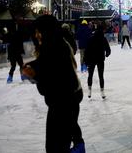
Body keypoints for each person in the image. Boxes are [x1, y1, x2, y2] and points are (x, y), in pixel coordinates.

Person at [22, 15, 85, 153]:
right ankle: (79, 144)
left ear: (47, 31)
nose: (37, 35)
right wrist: (33, 67)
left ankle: (79, 145)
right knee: (58, 143)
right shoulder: (57, 44)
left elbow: (52, 82)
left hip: (63, 103)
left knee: (55, 147)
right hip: (65, 101)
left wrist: (35, 74)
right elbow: (49, 67)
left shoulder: (54, 48)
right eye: (36, 32)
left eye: (40, 31)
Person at [84, 25, 111, 99]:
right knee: (101, 76)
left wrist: (85, 60)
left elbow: (87, 51)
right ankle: (102, 92)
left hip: (91, 59)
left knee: (90, 75)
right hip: (100, 59)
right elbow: (108, 48)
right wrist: (107, 53)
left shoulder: (91, 38)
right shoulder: (103, 38)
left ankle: (89, 91)